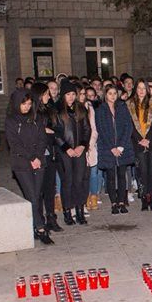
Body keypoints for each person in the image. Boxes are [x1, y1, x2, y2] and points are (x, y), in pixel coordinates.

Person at [5, 88, 52, 245]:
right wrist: (31, 158)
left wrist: (38, 157)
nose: (26, 107)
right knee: (32, 195)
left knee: (36, 196)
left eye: (29, 104)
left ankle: (33, 224)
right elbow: (14, 144)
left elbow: (42, 139)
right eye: (23, 104)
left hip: (39, 161)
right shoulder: (11, 120)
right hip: (22, 163)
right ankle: (40, 227)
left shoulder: (36, 118)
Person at [96, 84, 135, 214]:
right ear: (105, 95)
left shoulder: (122, 107)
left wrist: (121, 145)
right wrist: (112, 147)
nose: (112, 96)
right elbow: (101, 129)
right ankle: (113, 203)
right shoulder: (101, 109)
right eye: (110, 93)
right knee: (111, 176)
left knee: (122, 175)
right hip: (108, 148)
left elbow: (128, 126)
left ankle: (122, 202)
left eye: (114, 93)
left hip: (122, 147)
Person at [56, 80, 91, 225]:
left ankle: (80, 210)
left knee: (79, 181)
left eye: (72, 94)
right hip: (65, 152)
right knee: (67, 182)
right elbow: (55, 134)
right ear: (62, 95)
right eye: (68, 94)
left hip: (79, 151)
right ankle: (67, 212)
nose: (70, 97)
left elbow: (87, 130)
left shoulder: (81, 109)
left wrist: (82, 146)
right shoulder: (57, 111)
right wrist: (67, 148)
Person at [128, 80, 152, 211]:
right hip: (138, 142)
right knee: (142, 172)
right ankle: (144, 198)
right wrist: (139, 139)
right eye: (139, 88)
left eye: (144, 88)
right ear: (135, 89)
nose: (142, 90)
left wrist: (147, 139)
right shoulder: (130, 105)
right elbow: (130, 125)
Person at [33, 82, 62, 232]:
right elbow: (32, 131)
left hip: (50, 152)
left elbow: (57, 128)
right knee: (38, 190)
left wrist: (48, 130)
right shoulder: (31, 111)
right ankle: (39, 221)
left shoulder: (50, 109)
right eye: (45, 94)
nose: (48, 96)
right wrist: (44, 130)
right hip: (37, 155)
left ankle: (51, 216)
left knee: (50, 188)